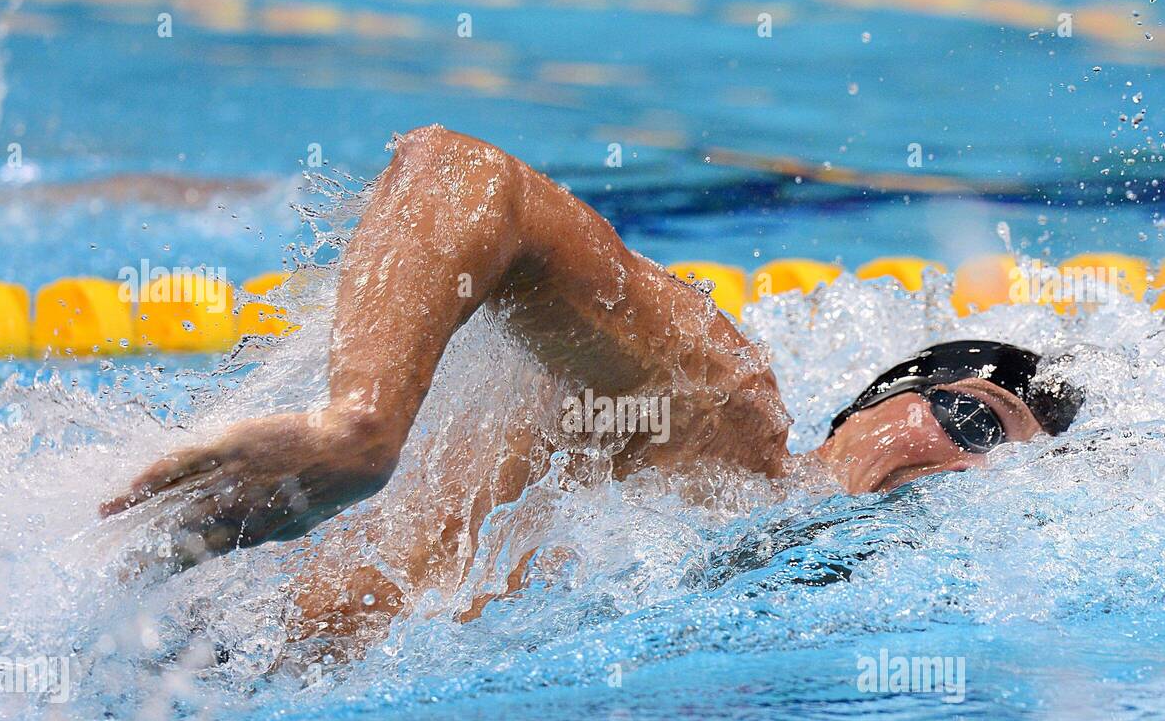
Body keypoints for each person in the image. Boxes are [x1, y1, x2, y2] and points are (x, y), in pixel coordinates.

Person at [102, 126, 1081, 641]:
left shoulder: (739, 598)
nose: (967, 470)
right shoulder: (725, 414)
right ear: (872, 406)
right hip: (158, 614)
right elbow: (462, 174)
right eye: (971, 419)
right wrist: (358, 430)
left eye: (1006, 473)